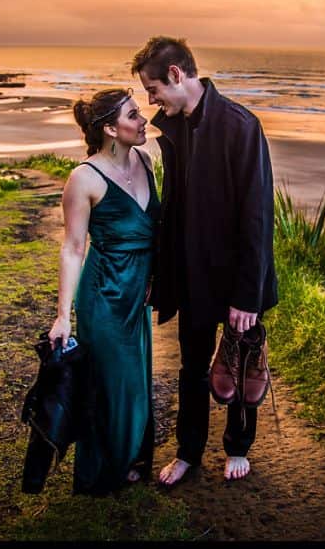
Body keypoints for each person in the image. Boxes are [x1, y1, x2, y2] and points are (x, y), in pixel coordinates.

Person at [131, 36, 279, 486]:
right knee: (192, 369)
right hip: (192, 276)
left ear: (176, 75)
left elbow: (257, 218)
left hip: (235, 280)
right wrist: (162, 273)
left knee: (241, 364)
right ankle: (188, 452)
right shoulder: (174, 128)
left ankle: (237, 447)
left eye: (153, 89)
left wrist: (247, 295)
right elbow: (174, 211)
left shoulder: (241, 126)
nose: (151, 101)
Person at [48, 87, 160, 495]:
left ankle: (132, 457)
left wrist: (155, 277)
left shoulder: (145, 161)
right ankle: (103, 470)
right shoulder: (84, 178)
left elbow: (154, 233)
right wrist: (63, 316)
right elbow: (73, 248)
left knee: (137, 378)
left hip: (138, 292)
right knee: (113, 382)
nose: (144, 120)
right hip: (104, 293)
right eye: (133, 115)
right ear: (111, 129)